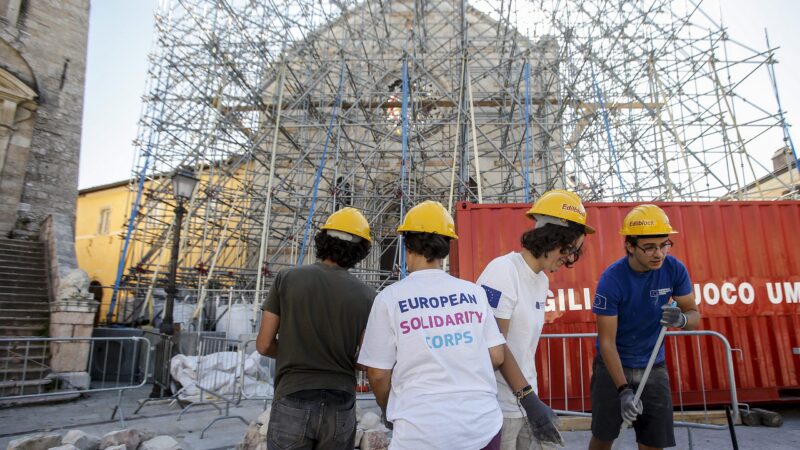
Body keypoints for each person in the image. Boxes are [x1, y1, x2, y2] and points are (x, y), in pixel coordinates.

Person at [358, 200, 507, 450]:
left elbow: (377, 373)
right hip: (482, 427)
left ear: (407, 245)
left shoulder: (389, 298)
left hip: (420, 432)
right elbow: (496, 355)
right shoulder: (474, 293)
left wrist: (388, 407)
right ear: (446, 248)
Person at [477, 189, 594, 450]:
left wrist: (531, 398)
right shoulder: (503, 271)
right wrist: (528, 398)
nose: (570, 258)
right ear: (551, 237)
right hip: (501, 408)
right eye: (568, 249)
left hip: (525, 400)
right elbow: (495, 346)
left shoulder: (541, 280)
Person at [256, 207, 376, 450]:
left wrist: (297, 352)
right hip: (340, 401)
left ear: (322, 240)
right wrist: (340, 357)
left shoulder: (287, 279)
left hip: (293, 395)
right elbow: (366, 359)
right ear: (360, 252)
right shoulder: (367, 296)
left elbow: (264, 344)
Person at [589, 204, 701, 450]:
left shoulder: (674, 269)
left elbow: (694, 314)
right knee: (603, 437)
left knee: (653, 441)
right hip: (613, 367)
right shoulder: (612, 279)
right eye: (649, 247)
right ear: (630, 246)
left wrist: (681, 320)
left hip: (653, 366)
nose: (658, 254)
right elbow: (607, 342)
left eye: (664, 245)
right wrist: (623, 390)